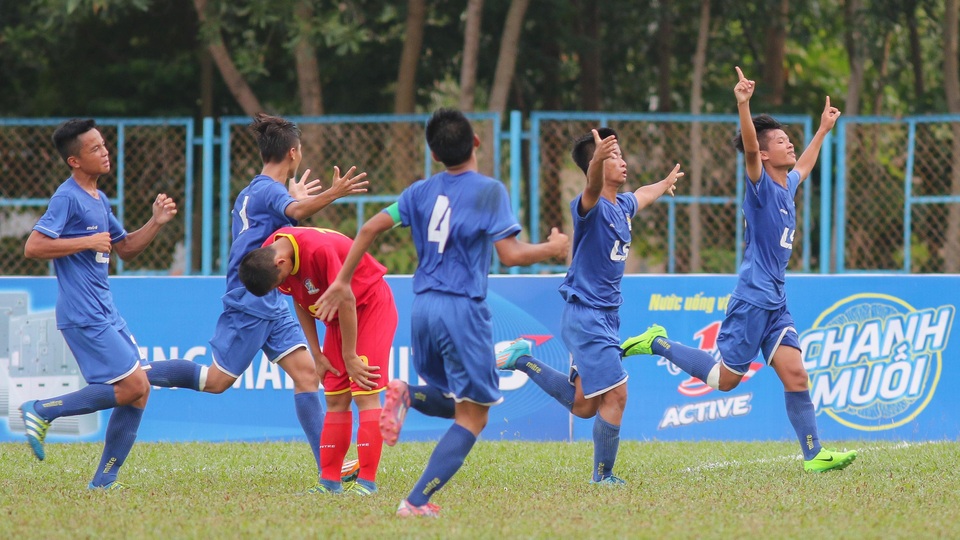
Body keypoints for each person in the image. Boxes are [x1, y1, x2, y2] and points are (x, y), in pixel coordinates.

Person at [314, 108, 569, 517]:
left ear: (433, 155)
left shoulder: (419, 192)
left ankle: (408, 395)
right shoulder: (488, 191)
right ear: (477, 143)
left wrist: (342, 280)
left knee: (458, 402)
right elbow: (511, 254)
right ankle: (415, 501)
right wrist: (552, 249)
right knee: (475, 416)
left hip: (423, 310)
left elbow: (367, 230)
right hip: (462, 310)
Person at [621, 66, 857, 472]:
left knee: (797, 376)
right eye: (781, 142)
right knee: (723, 381)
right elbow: (750, 150)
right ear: (765, 155)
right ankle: (657, 343)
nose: (789, 146)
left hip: (776, 302)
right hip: (752, 299)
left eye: (789, 141)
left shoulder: (788, 185)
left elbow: (805, 165)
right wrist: (743, 105)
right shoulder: (762, 185)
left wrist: (822, 131)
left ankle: (815, 455)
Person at [144, 113, 370, 492]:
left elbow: (282, 233)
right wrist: (333, 192)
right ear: (293, 153)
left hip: (272, 295)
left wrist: (296, 201)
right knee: (215, 381)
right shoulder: (268, 192)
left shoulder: (254, 190)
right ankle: (136, 375)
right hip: (251, 298)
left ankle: (328, 472)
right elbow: (295, 214)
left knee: (307, 375)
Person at [496, 128, 682, 485]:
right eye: (613, 156)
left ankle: (521, 358)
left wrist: (664, 182)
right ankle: (604, 476)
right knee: (618, 394)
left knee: (583, 406)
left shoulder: (623, 205)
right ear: (594, 166)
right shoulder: (590, 206)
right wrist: (598, 160)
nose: (623, 161)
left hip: (605, 317)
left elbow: (643, 194)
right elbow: (592, 187)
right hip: (587, 316)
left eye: (620, 154)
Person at [20, 118, 178, 490]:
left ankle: (104, 481)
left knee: (139, 389)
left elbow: (125, 248)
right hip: (82, 313)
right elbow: (33, 247)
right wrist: (84, 243)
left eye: (104, 145)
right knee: (134, 385)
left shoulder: (98, 198)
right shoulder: (67, 197)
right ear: (74, 160)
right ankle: (42, 410)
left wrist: (155, 222)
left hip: (106, 311)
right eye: (95, 148)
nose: (105, 152)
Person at [238, 225, 399, 495]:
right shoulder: (271, 251)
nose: (281, 287)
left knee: (364, 391)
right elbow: (301, 302)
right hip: (339, 318)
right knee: (335, 397)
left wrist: (349, 356)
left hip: (369, 306)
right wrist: (318, 354)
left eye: (278, 282)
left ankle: (367, 483)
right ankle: (329, 482)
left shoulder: (317, 250)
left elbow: (346, 298)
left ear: (281, 262)